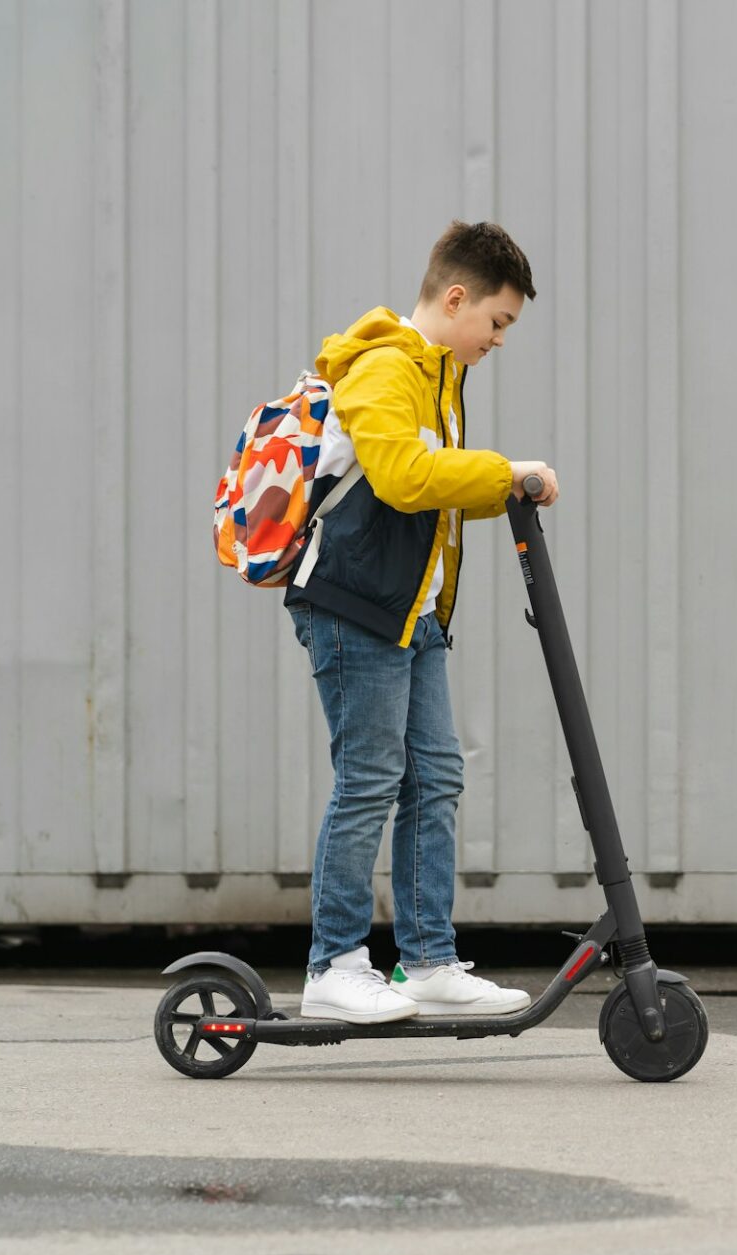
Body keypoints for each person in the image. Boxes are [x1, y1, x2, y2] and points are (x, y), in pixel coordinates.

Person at [284, 221, 557, 1023]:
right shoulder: (383, 367)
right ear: (456, 296)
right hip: (353, 608)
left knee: (435, 777)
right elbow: (405, 479)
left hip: (411, 615)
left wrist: (502, 488)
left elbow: (433, 493)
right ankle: (331, 965)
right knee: (370, 780)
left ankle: (429, 961)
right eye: (497, 323)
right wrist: (507, 470)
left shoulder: (440, 378)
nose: (498, 340)